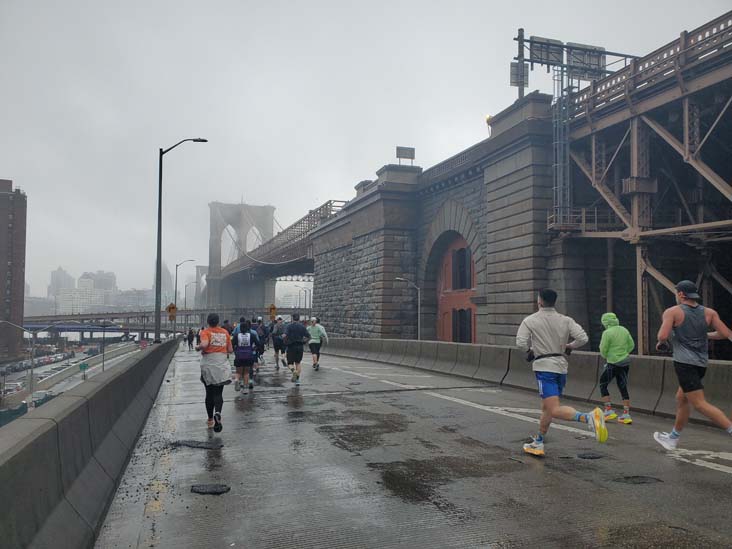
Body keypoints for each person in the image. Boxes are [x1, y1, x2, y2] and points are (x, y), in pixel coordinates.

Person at [516, 288, 607, 457]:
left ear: (539, 301)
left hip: (544, 367)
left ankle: (589, 417)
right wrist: (570, 346)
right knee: (547, 407)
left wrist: (529, 350)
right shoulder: (566, 320)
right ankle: (539, 441)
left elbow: (520, 343)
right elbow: (583, 338)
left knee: (554, 409)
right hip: (561, 366)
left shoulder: (530, 320)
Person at [653, 280, 732, 450]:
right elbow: (725, 333)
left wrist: (661, 342)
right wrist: (705, 335)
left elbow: (662, 335)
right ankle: (673, 438)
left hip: (684, 363)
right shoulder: (709, 313)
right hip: (701, 363)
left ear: (681, 294)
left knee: (699, 404)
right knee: (681, 399)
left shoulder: (673, 312)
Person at [196, 313, 233, 433]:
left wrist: (198, 347)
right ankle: (218, 412)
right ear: (218, 322)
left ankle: (210, 419)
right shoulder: (225, 333)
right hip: (221, 363)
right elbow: (230, 350)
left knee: (209, 393)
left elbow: (205, 344)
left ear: (208, 322)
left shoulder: (205, 332)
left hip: (209, 364)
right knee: (218, 393)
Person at [598, 312, 635, 424]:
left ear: (605, 322)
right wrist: (624, 353)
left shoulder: (607, 333)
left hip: (613, 362)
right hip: (625, 362)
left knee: (603, 384)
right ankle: (626, 414)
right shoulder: (624, 329)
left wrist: (608, 356)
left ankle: (608, 410)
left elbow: (603, 349)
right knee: (623, 386)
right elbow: (631, 345)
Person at [232, 318, 259, 394]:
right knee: (246, 372)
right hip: (248, 355)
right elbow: (258, 344)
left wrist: (235, 350)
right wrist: (254, 348)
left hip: (239, 356)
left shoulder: (237, 336)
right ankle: (245, 388)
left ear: (240, 328)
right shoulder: (252, 335)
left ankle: (237, 380)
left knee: (238, 372)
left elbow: (232, 344)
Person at [284, 312, 310, 386]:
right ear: (299, 318)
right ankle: (297, 380)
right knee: (298, 363)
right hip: (300, 347)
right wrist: (304, 342)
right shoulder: (302, 327)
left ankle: (293, 371)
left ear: (292, 318)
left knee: (290, 363)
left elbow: (285, 335)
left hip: (291, 347)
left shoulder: (289, 326)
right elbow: (308, 336)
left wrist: (285, 341)